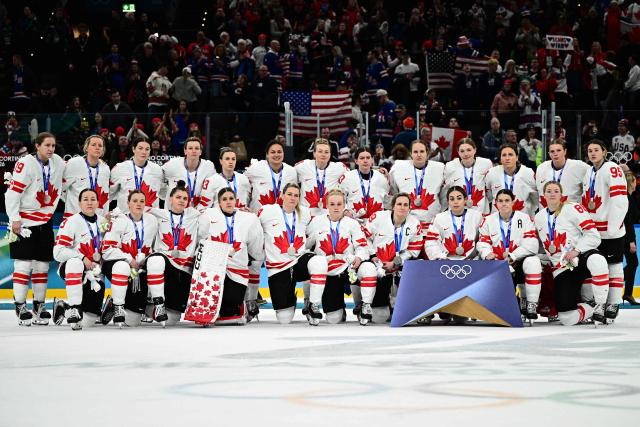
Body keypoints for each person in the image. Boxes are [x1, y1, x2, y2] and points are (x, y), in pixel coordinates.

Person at [5, 132, 64, 326]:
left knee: (42, 265)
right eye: (47, 145)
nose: (51, 149)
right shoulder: (26, 163)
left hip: (45, 221)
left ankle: (39, 306)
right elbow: (13, 193)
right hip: (24, 222)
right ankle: (20, 305)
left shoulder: (58, 163)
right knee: (23, 264)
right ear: (37, 146)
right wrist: (14, 219)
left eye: (53, 146)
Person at [534, 181, 609, 325]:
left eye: (556, 191)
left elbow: (593, 235)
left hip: (581, 256)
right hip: (563, 267)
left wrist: (576, 250)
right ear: (543, 195)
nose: (552, 194)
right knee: (567, 318)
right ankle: (591, 307)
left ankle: (601, 305)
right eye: (548, 191)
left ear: (561, 194)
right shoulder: (539, 217)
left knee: (597, 260)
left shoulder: (573, 208)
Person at [258, 183, 328, 324]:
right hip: (278, 268)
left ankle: (312, 304)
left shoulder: (305, 213)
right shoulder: (267, 211)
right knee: (284, 318)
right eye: (289, 194)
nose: (292, 198)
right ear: (282, 195)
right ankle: (291, 299)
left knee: (319, 262)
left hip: (298, 262)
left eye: (296, 195)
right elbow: (252, 227)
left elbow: (324, 221)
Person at [305, 189, 375, 325]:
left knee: (369, 268)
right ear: (326, 206)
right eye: (332, 204)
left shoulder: (352, 223)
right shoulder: (316, 222)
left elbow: (362, 246)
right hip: (328, 272)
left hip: (349, 268)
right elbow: (307, 245)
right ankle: (314, 303)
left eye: (339, 204)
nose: (336, 207)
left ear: (344, 206)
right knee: (333, 319)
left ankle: (365, 305)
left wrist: (359, 258)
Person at [197, 188, 264, 325]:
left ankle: (245, 302)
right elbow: (201, 239)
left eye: (231, 198)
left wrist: (252, 258)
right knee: (215, 305)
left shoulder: (248, 218)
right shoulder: (209, 215)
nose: (228, 202)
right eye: (224, 199)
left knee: (229, 309)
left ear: (236, 201)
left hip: (237, 270)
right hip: (214, 269)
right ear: (219, 203)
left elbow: (255, 245)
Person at [581, 140, 629, 321]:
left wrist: (613, 226)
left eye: (596, 150)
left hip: (611, 230)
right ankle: (597, 302)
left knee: (614, 266)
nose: (592, 153)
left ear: (604, 152)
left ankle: (614, 302)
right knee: (594, 267)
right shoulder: (588, 171)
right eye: (589, 150)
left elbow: (620, 199)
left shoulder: (612, 168)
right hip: (593, 231)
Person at [477, 189, 542, 320]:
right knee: (505, 310)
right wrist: (488, 253)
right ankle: (512, 302)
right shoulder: (488, 220)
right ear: (495, 203)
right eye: (500, 201)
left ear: (513, 202)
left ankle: (531, 304)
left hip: (519, 262)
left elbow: (532, 244)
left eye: (507, 200)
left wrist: (513, 255)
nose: (504, 204)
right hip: (498, 264)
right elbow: (482, 242)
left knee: (534, 262)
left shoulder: (524, 218)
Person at [423, 186, 483, 325]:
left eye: (459, 198)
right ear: (448, 202)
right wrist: (439, 257)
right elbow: (431, 242)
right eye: (452, 199)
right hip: (446, 262)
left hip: (471, 261)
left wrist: (478, 257)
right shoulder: (439, 218)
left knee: (460, 319)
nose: (455, 202)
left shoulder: (476, 216)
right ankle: (444, 308)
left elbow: (483, 239)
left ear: (465, 200)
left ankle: (468, 309)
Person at [145, 182, 201, 326]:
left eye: (184, 198)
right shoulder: (158, 214)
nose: (182, 200)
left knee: (172, 320)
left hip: (183, 271)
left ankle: (147, 309)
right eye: (178, 197)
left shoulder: (194, 215)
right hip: (165, 265)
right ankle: (158, 303)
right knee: (155, 260)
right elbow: (136, 210)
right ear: (170, 199)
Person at [100, 190, 158, 327]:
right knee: (123, 267)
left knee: (132, 322)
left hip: (138, 269)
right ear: (128, 204)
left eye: (142, 201)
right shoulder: (119, 220)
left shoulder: (152, 221)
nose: (138, 204)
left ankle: (115, 300)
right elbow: (107, 250)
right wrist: (128, 259)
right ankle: (117, 304)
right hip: (117, 265)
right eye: (135, 201)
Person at [52, 189, 108, 330]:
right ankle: (74, 307)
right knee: (75, 262)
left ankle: (63, 307)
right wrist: (82, 258)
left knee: (88, 321)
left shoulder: (104, 223)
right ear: (79, 203)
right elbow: (57, 252)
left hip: (95, 275)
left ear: (98, 202)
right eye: (85, 199)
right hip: (74, 269)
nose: (89, 202)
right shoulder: (70, 222)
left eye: (93, 199)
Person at [363, 193, 423, 323]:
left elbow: (414, 248)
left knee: (417, 266)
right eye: (399, 204)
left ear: (410, 208)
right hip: (378, 263)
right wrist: (373, 256)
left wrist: (397, 261)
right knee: (379, 318)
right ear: (393, 206)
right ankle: (362, 303)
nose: (402, 207)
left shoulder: (415, 224)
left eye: (405, 205)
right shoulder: (378, 217)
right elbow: (364, 237)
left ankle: (407, 305)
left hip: (400, 263)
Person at [389, 140, 445, 231]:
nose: (419, 155)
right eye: (415, 152)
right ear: (410, 154)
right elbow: (393, 191)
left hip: (431, 222)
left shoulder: (439, 169)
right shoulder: (398, 168)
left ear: (428, 153)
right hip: (407, 222)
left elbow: (444, 195)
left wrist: (439, 212)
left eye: (422, 151)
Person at [295, 138, 348, 216]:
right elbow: (288, 177)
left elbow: (353, 181)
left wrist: (346, 207)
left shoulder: (339, 168)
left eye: (326, 152)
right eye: (320, 151)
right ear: (314, 153)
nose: (323, 154)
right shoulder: (303, 166)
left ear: (330, 154)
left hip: (328, 216)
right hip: (306, 215)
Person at [62, 135, 111, 218]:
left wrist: (104, 218)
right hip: (75, 216)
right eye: (93, 145)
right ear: (86, 148)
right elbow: (60, 187)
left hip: (97, 218)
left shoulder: (105, 169)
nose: (97, 147)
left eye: (100, 145)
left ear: (103, 150)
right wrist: (70, 202)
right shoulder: (74, 164)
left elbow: (105, 196)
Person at [110, 138, 163, 211]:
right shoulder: (120, 168)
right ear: (133, 149)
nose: (144, 152)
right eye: (140, 148)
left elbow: (163, 192)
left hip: (150, 216)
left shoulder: (157, 169)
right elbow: (109, 193)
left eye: (147, 149)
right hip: (125, 216)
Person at [161, 137, 216, 208]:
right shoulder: (173, 164)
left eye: (197, 148)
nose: (194, 151)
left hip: (198, 213)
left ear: (200, 152)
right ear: (185, 151)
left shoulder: (208, 167)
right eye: (190, 148)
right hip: (173, 213)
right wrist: (165, 194)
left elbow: (214, 188)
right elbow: (158, 177)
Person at [486, 144, 538, 217]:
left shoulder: (528, 173)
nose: (507, 158)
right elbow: (489, 196)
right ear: (500, 159)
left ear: (517, 157)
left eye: (510, 154)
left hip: (522, 218)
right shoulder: (492, 173)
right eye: (504, 155)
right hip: (497, 219)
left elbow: (536, 198)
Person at [339, 147, 390, 222]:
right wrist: (345, 211)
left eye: (368, 158)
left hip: (377, 222)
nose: (365, 160)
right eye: (362, 158)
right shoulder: (347, 177)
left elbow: (387, 200)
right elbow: (339, 199)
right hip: (354, 221)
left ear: (372, 160)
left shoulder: (381, 177)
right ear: (356, 161)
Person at [244, 139, 297, 211]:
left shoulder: (291, 171)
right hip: (258, 215)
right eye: (273, 152)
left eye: (279, 152)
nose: (276, 155)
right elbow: (242, 183)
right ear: (267, 154)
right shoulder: (256, 168)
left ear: (283, 153)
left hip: (282, 216)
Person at [443, 138, 493, 214]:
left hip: (480, 212)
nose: (466, 154)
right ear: (458, 152)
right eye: (462, 151)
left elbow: (490, 189)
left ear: (475, 150)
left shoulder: (486, 164)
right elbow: (447, 190)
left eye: (469, 150)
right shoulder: (450, 166)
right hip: (457, 214)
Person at [535, 139, 590, 207]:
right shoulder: (541, 168)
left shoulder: (579, 166)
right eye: (552, 151)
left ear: (565, 151)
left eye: (558, 150)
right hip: (548, 212)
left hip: (571, 212)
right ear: (549, 154)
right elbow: (538, 193)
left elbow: (594, 176)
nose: (555, 154)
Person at [623, 172, 640, 305]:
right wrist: (631, 241)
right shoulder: (627, 199)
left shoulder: (629, 197)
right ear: (631, 182)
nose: (636, 184)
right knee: (633, 263)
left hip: (625, 236)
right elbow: (628, 222)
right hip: (625, 237)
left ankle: (627, 293)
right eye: (634, 181)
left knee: (633, 263)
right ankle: (627, 292)